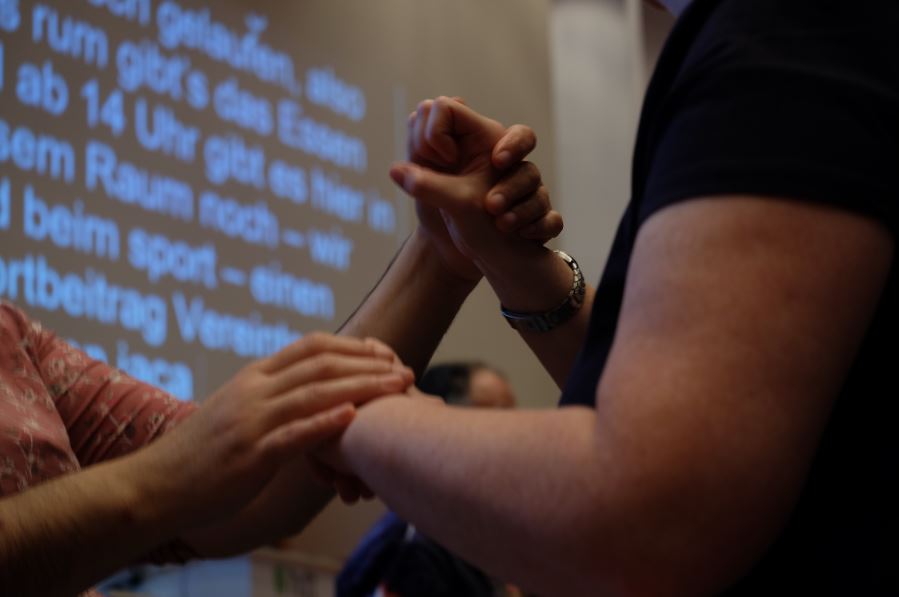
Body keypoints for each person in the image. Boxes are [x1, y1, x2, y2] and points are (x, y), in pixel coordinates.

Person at [315, 0, 898, 595]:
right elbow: (693, 407)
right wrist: (511, 262)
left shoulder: (781, 30)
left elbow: (661, 514)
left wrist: (347, 412)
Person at [0, 178, 557, 594]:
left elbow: (245, 486)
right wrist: (166, 478)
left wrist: (442, 252)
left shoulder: (12, 336)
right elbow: (194, 471)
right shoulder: (420, 556)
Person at [337, 363, 518, 597]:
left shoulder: (479, 538)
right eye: (497, 419)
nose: (514, 436)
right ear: (441, 435)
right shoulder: (413, 550)